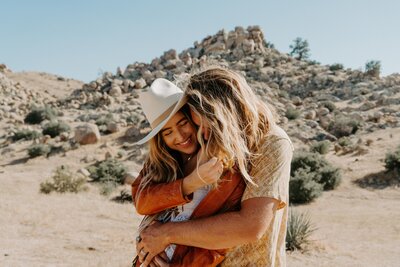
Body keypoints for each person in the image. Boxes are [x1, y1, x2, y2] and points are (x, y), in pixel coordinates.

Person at [136, 67, 294, 267]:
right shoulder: (209, 143)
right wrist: (149, 239)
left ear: (225, 112)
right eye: (198, 125)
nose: (204, 134)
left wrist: (165, 234)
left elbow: (251, 226)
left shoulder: (272, 142)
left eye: (209, 126)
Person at [131, 78, 246, 266]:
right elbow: (142, 203)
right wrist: (189, 183)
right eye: (167, 133)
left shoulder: (223, 160)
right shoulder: (160, 163)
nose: (180, 136)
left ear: (194, 117)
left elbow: (221, 237)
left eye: (183, 123)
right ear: (160, 139)